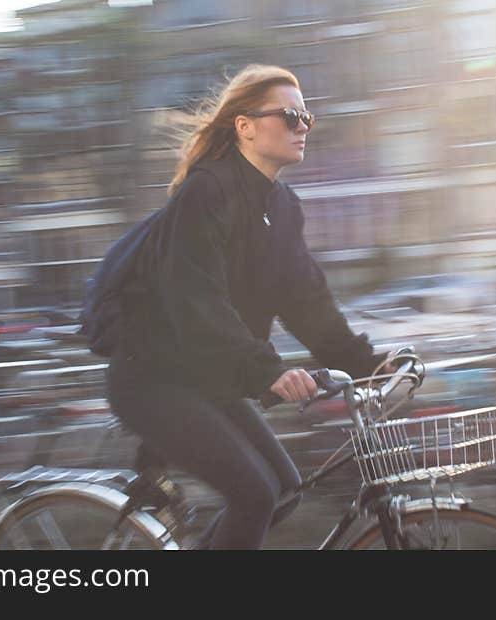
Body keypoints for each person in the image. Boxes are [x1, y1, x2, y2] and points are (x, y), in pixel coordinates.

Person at [105, 64, 398, 550]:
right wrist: (267, 370)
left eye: (307, 116)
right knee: (256, 493)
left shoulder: (282, 205)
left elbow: (307, 302)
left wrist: (368, 364)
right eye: (289, 115)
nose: (302, 126)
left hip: (208, 378)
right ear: (245, 126)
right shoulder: (206, 192)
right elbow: (196, 301)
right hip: (151, 378)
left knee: (285, 489)